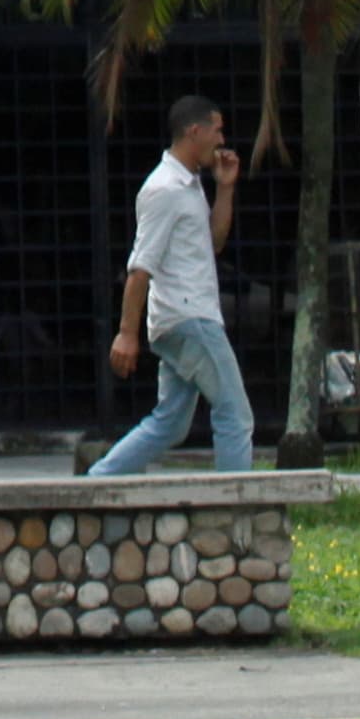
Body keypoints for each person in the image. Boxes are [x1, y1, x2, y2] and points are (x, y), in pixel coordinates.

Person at [90, 94, 253, 475]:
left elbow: (213, 242)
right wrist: (126, 334)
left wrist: (226, 188)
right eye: (217, 130)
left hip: (181, 319)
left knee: (171, 423)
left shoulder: (190, 184)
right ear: (194, 131)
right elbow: (140, 267)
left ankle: (100, 480)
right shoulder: (163, 188)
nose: (222, 139)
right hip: (189, 319)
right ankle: (237, 510)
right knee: (235, 413)